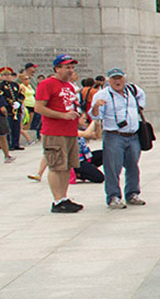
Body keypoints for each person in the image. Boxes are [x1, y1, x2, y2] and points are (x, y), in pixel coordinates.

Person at [34, 55, 87, 212]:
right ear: (57, 69)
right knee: (56, 166)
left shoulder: (70, 86)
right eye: (67, 67)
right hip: (54, 132)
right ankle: (57, 200)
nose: (70, 71)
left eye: (72, 67)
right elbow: (39, 107)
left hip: (70, 132)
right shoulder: (47, 84)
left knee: (67, 166)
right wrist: (62, 115)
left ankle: (64, 197)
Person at [89, 68, 145, 209]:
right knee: (113, 167)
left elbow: (142, 99)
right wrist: (96, 106)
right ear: (108, 80)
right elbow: (95, 116)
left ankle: (132, 193)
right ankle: (113, 196)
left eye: (119, 78)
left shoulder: (132, 90)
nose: (117, 81)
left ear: (124, 79)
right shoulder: (102, 95)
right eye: (114, 79)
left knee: (133, 165)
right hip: (114, 135)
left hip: (132, 135)